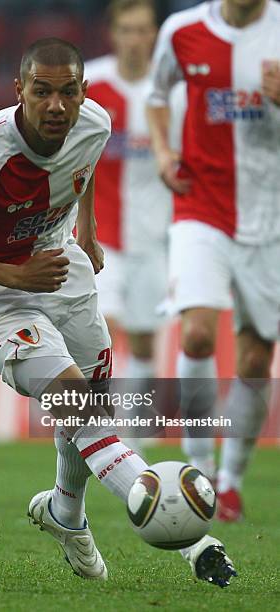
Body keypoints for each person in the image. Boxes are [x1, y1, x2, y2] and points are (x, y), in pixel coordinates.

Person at [0, 38, 235, 586]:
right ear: (20, 92)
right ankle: (194, 542)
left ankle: (65, 512)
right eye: (41, 92)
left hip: (59, 262)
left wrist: (89, 227)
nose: (56, 106)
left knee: (90, 397)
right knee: (75, 400)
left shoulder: (94, 122)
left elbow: (85, 161)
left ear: (83, 92)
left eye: (67, 92)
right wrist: (15, 276)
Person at [147, 0, 280, 521]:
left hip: (269, 219)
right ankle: (197, 467)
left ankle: (231, 482)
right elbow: (157, 95)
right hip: (201, 206)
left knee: (254, 361)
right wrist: (161, 150)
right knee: (197, 334)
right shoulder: (182, 31)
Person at [84, 0, 172, 393]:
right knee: (103, 332)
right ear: (112, 33)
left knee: (143, 341)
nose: (134, 40)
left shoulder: (172, 90)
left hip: (156, 238)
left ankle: (137, 434)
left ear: (155, 34)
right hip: (101, 237)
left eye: (142, 30)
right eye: (126, 30)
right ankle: (101, 432)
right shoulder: (90, 85)